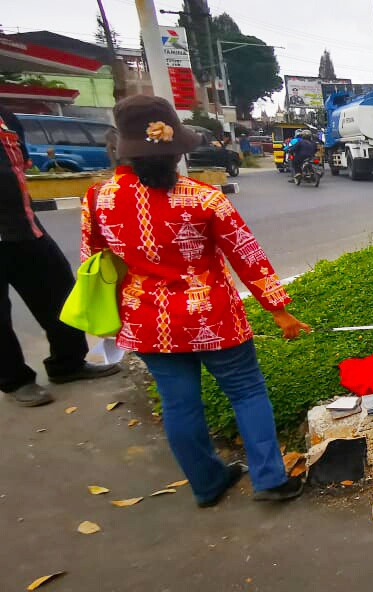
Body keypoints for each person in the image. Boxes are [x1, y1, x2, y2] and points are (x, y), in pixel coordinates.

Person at [85, 95, 311, 506]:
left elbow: (95, 264)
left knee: (178, 403)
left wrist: (118, 316)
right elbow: (247, 255)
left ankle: (207, 485)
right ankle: (270, 479)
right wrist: (279, 312)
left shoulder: (98, 199)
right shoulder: (204, 198)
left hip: (147, 322)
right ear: (177, 151)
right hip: (214, 316)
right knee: (246, 391)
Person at [0, 106, 118, 407]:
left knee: (60, 293)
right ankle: (15, 380)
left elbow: (21, 164)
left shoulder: (7, 117)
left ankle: (68, 364)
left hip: (23, 227)